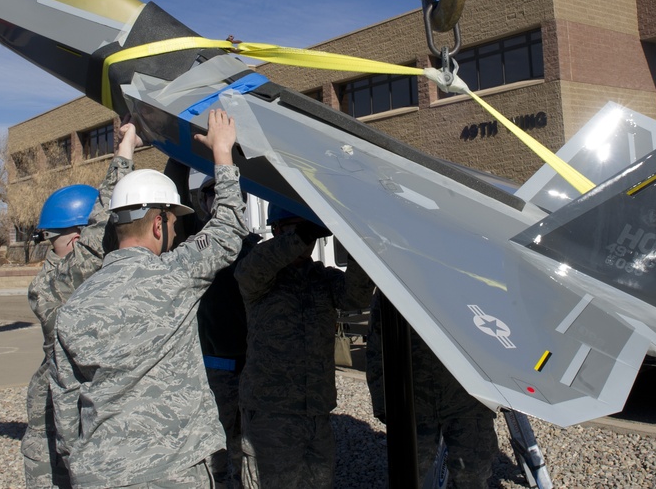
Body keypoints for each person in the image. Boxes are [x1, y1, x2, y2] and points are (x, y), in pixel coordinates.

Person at [50, 108, 247, 489]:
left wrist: (125, 146)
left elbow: (64, 411)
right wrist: (223, 152)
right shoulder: (175, 276)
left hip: (99, 475)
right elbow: (227, 230)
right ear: (158, 224)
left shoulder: (74, 303)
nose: (176, 231)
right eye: (174, 222)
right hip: (172, 472)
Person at [21, 121, 141, 489]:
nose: (47, 245)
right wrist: (125, 152)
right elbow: (101, 227)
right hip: (66, 408)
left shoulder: (73, 277)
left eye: (48, 237)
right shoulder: (52, 283)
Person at [235, 203, 374, 489]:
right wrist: (304, 232)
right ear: (276, 231)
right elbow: (250, 272)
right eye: (295, 232)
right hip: (271, 418)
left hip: (316, 414)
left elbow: (356, 298)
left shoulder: (321, 277)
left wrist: (358, 245)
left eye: (310, 235)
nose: (306, 244)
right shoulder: (261, 274)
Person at [365, 291, 497, 489]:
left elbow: (499, 336)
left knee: (473, 476)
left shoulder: (469, 282)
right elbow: (377, 345)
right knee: (407, 476)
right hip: (414, 403)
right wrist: (384, 403)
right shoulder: (394, 282)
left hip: (467, 402)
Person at [194, 174, 260, 489]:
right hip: (213, 370)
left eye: (224, 195)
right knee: (213, 453)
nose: (217, 200)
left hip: (251, 367)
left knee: (251, 453)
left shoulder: (253, 251)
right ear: (202, 202)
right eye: (211, 195)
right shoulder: (193, 249)